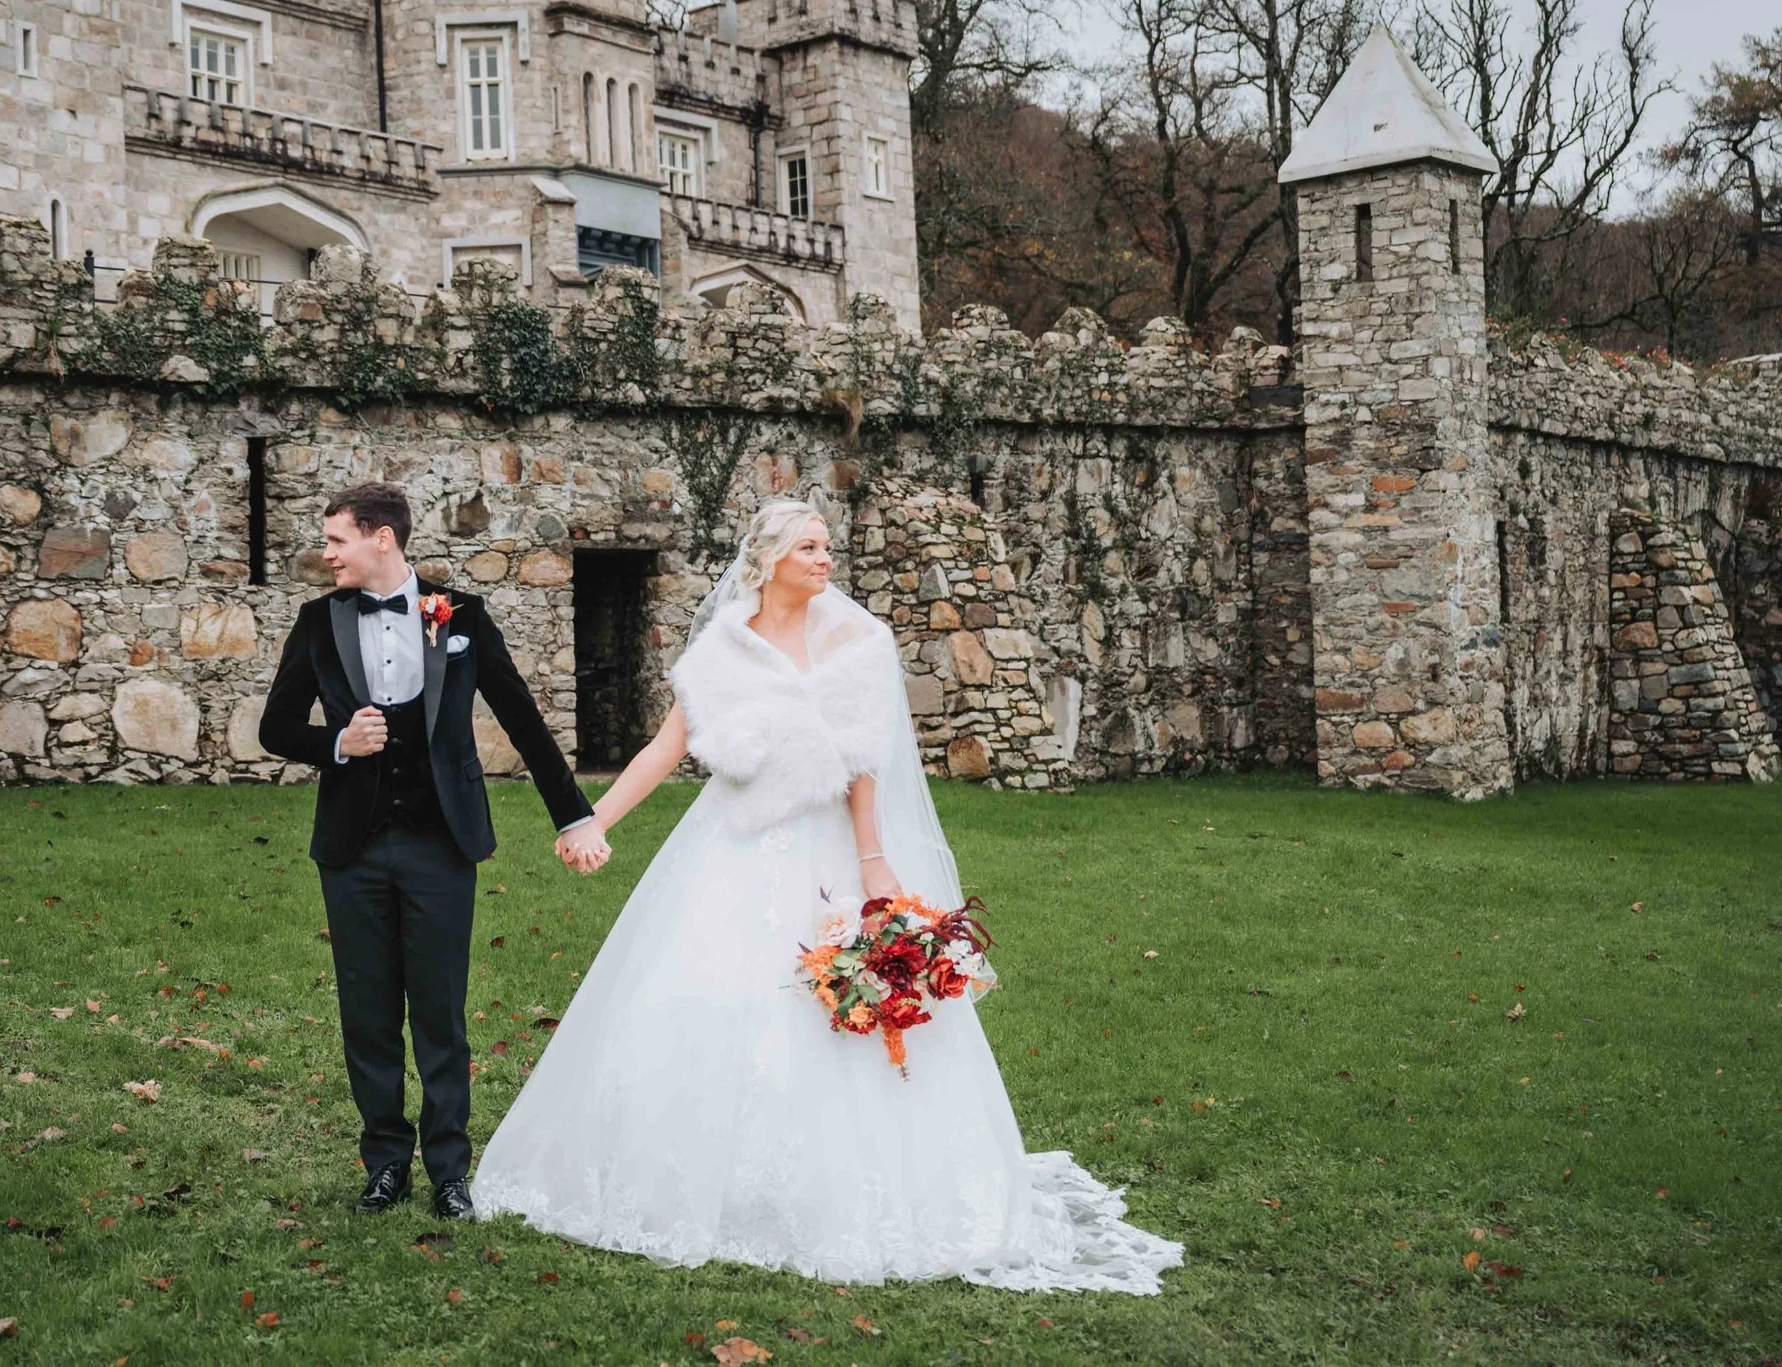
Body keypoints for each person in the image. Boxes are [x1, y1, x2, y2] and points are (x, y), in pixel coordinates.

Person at [470, 498, 1186, 1292]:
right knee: (708, 995)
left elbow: (865, 759)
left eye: (827, 546)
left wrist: (874, 860)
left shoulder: (857, 642)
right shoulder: (724, 646)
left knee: (835, 1005)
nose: (825, 559)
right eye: (808, 546)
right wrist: (589, 818)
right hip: (732, 842)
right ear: (769, 557)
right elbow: (667, 746)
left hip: (828, 850)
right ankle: (701, 1177)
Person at [258, 482, 602, 1221]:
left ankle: (450, 1170)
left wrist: (574, 815)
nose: (325, 553)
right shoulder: (318, 622)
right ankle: (385, 1162)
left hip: (442, 841)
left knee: (440, 1011)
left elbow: (522, 716)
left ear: (382, 537)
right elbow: (276, 727)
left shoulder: (462, 615)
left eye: (336, 539)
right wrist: (338, 744)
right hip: (351, 847)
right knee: (368, 1012)